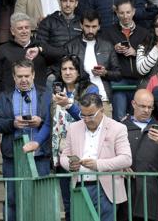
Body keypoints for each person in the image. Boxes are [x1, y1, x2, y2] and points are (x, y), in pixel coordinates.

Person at [0, 59, 52, 221]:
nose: (23, 80)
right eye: (19, 76)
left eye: (27, 75)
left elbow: (53, 121)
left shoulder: (46, 94)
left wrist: (41, 122)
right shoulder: (5, 96)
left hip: (40, 155)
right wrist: (12, 123)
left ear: (33, 75)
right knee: (12, 200)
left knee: (40, 200)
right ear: (14, 77)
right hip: (13, 157)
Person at [60, 93, 132, 221]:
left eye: (91, 115)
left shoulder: (118, 128)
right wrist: (70, 165)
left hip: (107, 190)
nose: (86, 119)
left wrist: (98, 165)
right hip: (80, 187)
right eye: (83, 115)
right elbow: (64, 156)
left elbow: (126, 159)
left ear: (102, 111)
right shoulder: (73, 128)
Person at [51, 55, 98, 221]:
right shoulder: (56, 89)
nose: (67, 72)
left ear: (79, 72)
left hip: (84, 150)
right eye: (64, 69)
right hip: (61, 152)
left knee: (84, 197)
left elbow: (89, 117)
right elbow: (48, 121)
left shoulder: (90, 89)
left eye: (72, 68)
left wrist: (68, 105)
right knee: (68, 202)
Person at [119, 89, 158, 221]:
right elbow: (107, 153)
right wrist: (119, 167)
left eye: (150, 107)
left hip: (152, 193)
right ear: (133, 104)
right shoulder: (120, 127)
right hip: (125, 191)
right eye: (142, 106)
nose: (146, 110)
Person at [0, 12, 63, 102]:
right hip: (10, 102)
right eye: (20, 28)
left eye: (27, 27)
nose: (24, 31)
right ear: (12, 31)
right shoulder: (1, 50)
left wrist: (40, 50)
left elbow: (62, 55)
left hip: (38, 101)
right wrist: (1, 101)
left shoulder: (40, 47)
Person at [65, 10, 122, 117]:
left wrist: (105, 73)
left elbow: (118, 74)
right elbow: (64, 73)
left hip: (102, 100)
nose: (90, 30)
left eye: (94, 26)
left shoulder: (107, 46)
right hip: (79, 99)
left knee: (106, 133)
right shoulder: (71, 46)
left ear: (99, 27)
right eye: (87, 26)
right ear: (81, 25)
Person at [101, 0, 148, 120]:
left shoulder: (144, 32)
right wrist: (113, 49)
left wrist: (136, 52)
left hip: (139, 79)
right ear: (116, 13)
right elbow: (101, 56)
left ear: (133, 12)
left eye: (128, 12)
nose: (125, 16)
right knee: (120, 117)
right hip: (119, 79)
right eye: (121, 13)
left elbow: (151, 56)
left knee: (138, 116)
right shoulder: (108, 32)